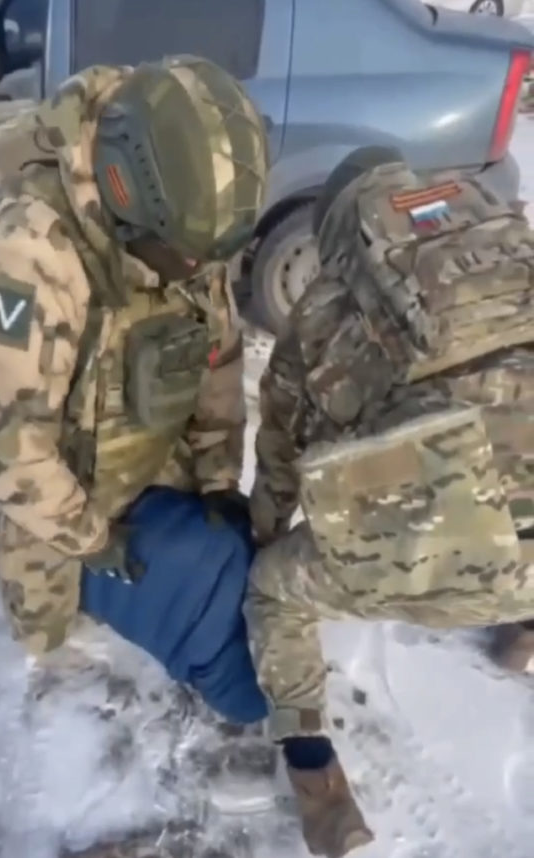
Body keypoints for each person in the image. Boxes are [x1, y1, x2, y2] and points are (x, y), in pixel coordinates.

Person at [0, 55, 269, 658]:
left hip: (115, 394)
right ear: (128, 198)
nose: (201, 271)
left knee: (193, 525)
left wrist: (218, 478)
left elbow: (219, 357)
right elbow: (7, 446)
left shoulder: (187, 226)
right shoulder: (27, 255)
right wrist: (91, 538)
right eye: (188, 258)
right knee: (43, 635)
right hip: (33, 440)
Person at [246, 146, 534, 857]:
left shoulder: (320, 311)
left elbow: (280, 459)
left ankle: (317, 781)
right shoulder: (512, 250)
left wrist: (265, 535)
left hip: (438, 550)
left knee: (275, 591)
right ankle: (524, 635)